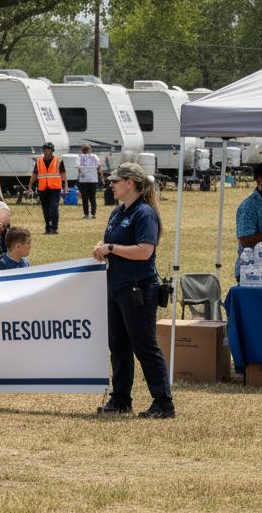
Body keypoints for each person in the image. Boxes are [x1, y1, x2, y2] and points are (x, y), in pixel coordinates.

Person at [91, 163, 174, 419]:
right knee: (118, 345)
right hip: (116, 286)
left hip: (138, 289)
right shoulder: (117, 212)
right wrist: (102, 248)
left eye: (116, 181)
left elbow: (144, 251)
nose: (111, 184)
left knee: (144, 346)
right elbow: (113, 244)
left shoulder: (144, 213)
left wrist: (112, 248)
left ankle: (163, 402)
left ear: (130, 183)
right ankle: (120, 398)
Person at [28, 143, 67, 234]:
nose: (47, 151)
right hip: (43, 188)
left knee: (54, 207)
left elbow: (63, 174)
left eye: (49, 150)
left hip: (55, 187)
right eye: (45, 150)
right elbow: (35, 174)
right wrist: (30, 185)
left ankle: (55, 228)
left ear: (52, 151)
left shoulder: (58, 160)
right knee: (45, 209)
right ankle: (48, 227)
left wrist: (66, 186)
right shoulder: (39, 160)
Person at [76, 144, 100, 220]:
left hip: (83, 180)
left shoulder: (79, 157)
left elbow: (77, 166)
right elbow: (99, 165)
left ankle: (86, 214)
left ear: (82, 150)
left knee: (84, 198)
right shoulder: (95, 156)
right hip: (93, 180)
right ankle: (93, 214)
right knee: (92, 197)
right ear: (90, 149)